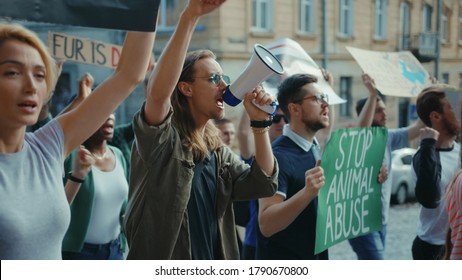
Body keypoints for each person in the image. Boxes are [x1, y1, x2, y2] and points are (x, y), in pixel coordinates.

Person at [123, 0, 278, 260]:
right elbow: (158, 94)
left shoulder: (217, 151)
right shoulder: (162, 140)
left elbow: (263, 184)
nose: (223, 86)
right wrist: (190, 16)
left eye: (224, 78)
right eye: (213, 79)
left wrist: (260, 124)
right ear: (186, 88)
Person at [0, 20, 155, 259]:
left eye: (40, 75)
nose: (31, 86)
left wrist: (188, 16)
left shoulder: (46, 147)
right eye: (12, 72)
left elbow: (129, 74)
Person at [347, 73, 423, 260]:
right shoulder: (354, 140)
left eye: (383, 108)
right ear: (367, 112)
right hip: (361, 222)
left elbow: (418, 127)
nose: (385, 113)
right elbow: (361, 132)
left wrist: (428, 96)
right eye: (378, 110)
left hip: (382, 220)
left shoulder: (387, 137)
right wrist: (372, 94)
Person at [256, 73, 328, 260]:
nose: (325, 104)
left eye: (324, 98)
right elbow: (266, 223)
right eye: (317, 99)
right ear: (294, 109)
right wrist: (307, 192)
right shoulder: (278, 156)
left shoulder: (313, 147)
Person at [61, 113, 129, 260]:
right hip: (80, 255)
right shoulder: (72, 156)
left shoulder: (118, 154)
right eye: (104, 109)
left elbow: (124, 204)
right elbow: (56, 207)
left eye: (112, 110)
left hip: (115, 251)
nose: (109, 115)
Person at [411, 85, 460, 260]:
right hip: (432, 249)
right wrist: (427, 144)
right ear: (436, 116)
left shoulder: (458, 149)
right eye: (456, 107)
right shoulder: (424, 157)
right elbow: (430, 198)